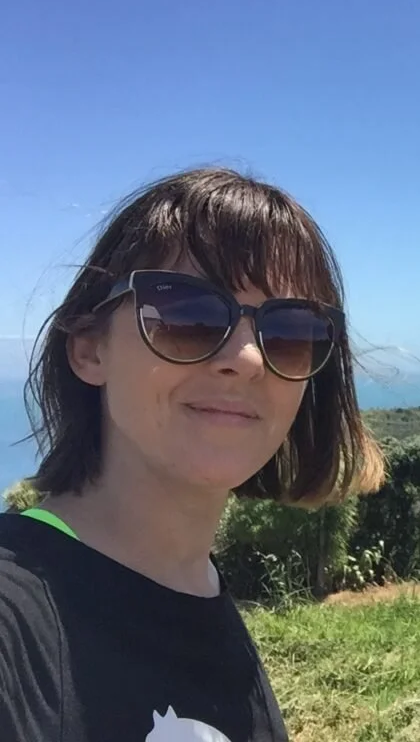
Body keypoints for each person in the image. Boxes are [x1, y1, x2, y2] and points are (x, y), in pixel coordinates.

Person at [0, 168, 385, 741]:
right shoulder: (15, 617)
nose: (249, 359)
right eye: (187, 314)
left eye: (287, 330)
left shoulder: (196, 588)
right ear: (89, 350)